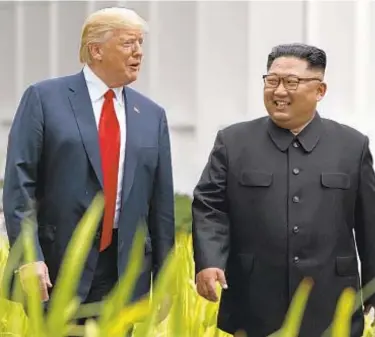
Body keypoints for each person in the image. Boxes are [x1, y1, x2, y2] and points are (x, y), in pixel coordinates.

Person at [2, 6, 174, 327]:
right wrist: (29, 258)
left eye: (140, 43)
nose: (138, 52)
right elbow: (19, 185)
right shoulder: (43, 98)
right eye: (128, 43)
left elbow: (161, 206)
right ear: (96, 50)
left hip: (125, 272)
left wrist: (164, 279)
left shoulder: (152, 114)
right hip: (57, 269)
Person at [191, 43, 375, 337]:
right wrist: (210, 262)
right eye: (272, 81)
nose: (279, 92)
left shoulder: (352, 146)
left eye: (291, 82)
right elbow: (210, 206)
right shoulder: (234, 141)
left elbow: (370, 227)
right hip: (254, 301)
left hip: (331, 300)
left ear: (320, 90)